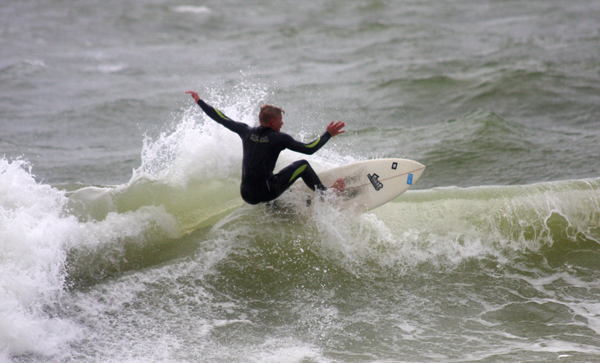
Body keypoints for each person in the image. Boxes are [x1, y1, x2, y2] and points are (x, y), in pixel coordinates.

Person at [186, 91, 346, 205]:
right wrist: (328, 134)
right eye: (280, 120)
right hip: (267, 192)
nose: (282, 123)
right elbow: (309, 149)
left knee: (269, 177)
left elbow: (221, 118)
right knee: (302, 165)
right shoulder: (279, 138)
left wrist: (199, 101)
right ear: (272, 122)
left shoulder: (245, 131)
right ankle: (326, 195)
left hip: (247, 195)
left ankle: (276, 207)